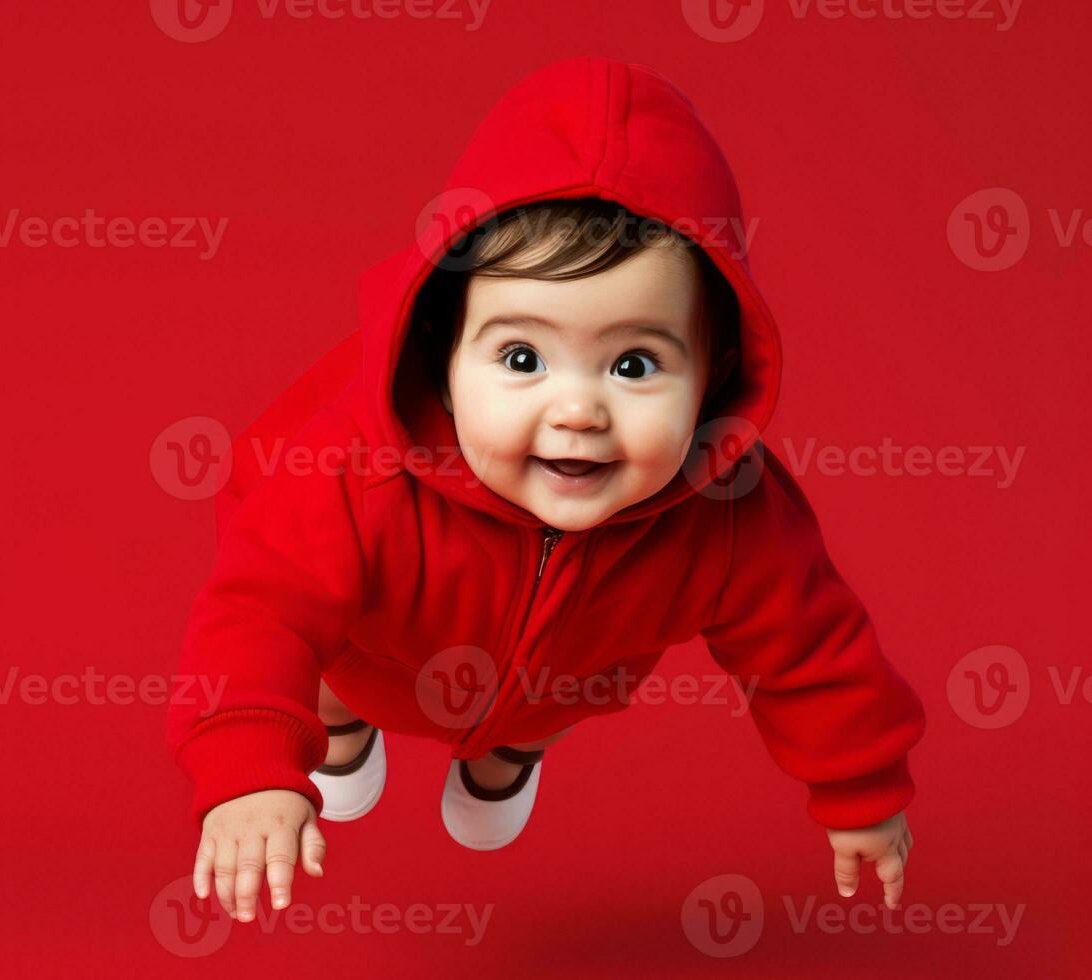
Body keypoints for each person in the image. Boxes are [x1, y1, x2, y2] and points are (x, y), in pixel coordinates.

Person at [166, 55, 925, 925]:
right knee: (332, 679)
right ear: (443, 356)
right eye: (522, 358)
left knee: (554, 705)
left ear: (712, 377)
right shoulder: (352, 471)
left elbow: (809, 643)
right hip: (375, 657)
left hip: (566, 677)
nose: (576, 410)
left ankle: (505, 758)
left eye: (634, 364)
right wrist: (248, 766)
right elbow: (259, 613)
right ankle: (342, 736)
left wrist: (859, 785)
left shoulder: (727, 511)